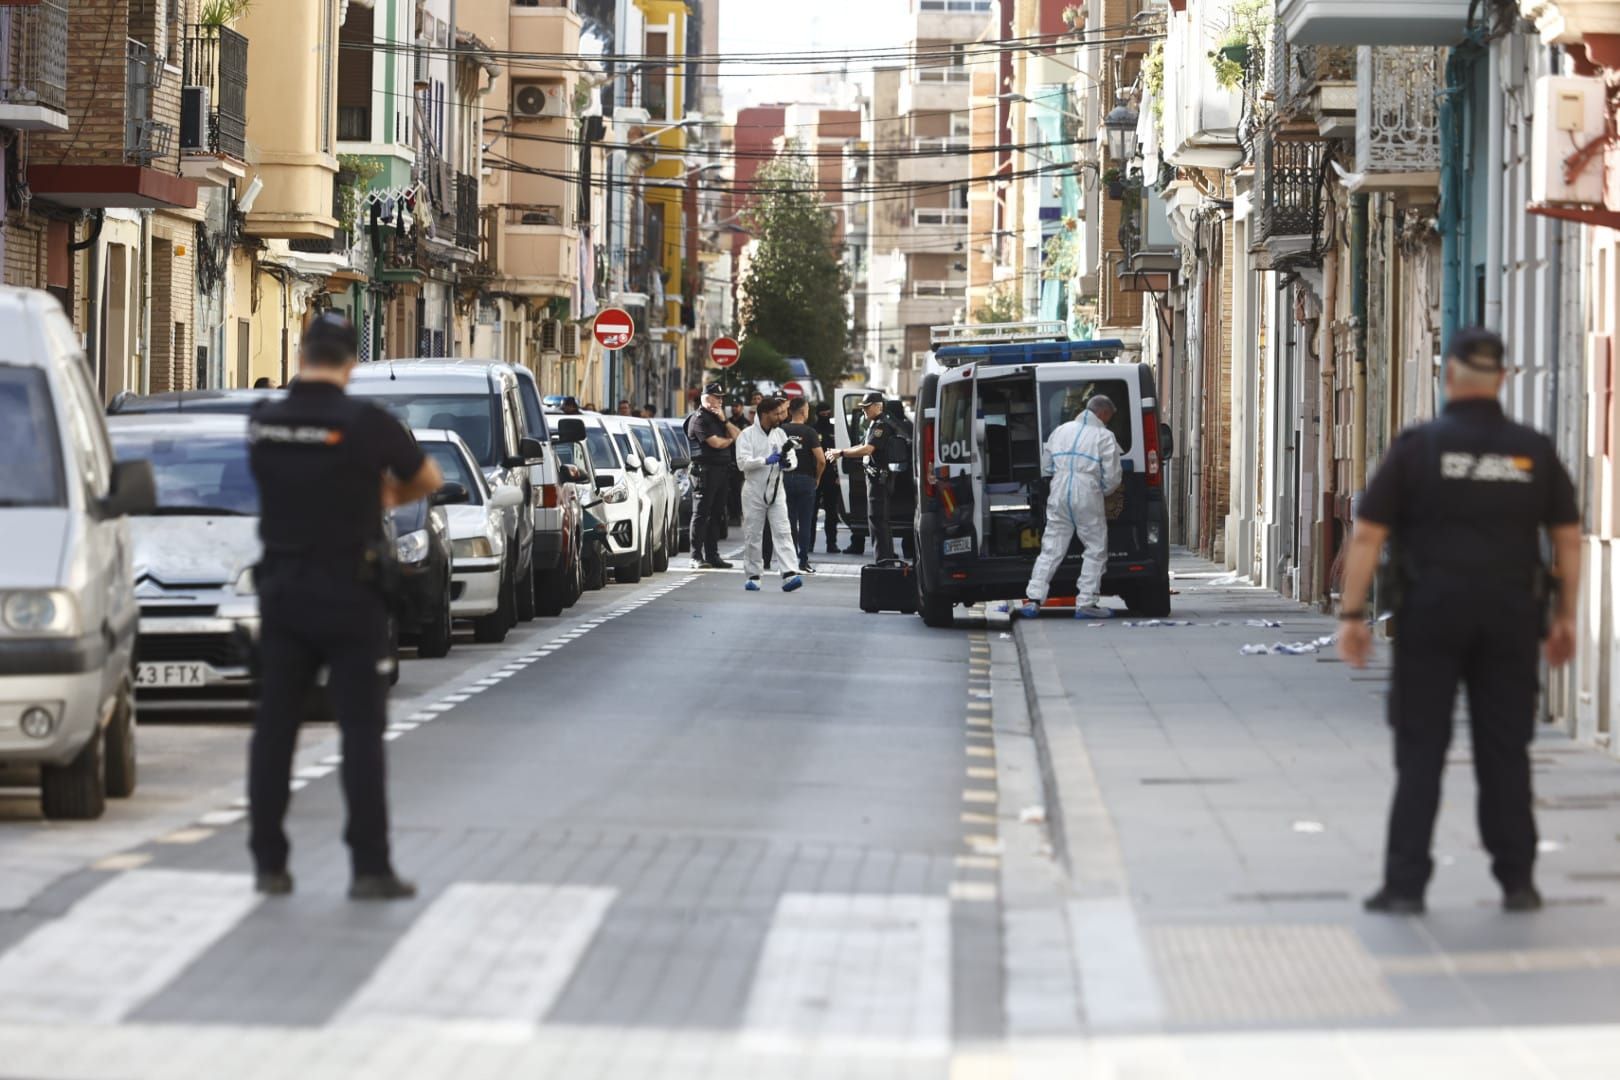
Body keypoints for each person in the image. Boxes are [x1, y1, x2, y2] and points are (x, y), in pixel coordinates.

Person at [1337, 328, 1582, 916]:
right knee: (1505, 749)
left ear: (1449, 377)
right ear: (1502, 379)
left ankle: (1405, 886)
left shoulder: (1419, 448)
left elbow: (1368, 535)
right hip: (1511, 618)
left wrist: (1352, 615)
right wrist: (1566, 616)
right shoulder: (1533, 450)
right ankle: (1517, 882)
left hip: (1431, 616)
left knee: (1421, 748)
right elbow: (1567, 541)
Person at [246, 312, 443, 901]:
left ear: (303, 355)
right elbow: (426, 475)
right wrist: (383, 493)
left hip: (282, 587)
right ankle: (369, 867)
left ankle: (269, 863)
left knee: (275, 728)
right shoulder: (366, 423)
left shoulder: (265, 422)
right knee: (360, 731)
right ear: (350, 363)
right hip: (349, 592)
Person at [1019, 395, 1122, 620]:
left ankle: (1033, 600)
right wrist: (1099, 490)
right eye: (1108, 417)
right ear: (1103, 414)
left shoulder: (1061, 430)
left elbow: (1046, 466)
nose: (1108, 421)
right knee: (1095, 548)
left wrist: (1061, 476)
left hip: (1060, 490)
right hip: (1087, 491)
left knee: (1051, 547)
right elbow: (1113, 477)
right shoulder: (1104, 436)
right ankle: (1086, 602)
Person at [826, 392, 908, 562]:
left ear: (878, 406)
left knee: (878, 520)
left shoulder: (881, 425)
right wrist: (843, 451)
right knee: (877, 520)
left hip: (879, 479)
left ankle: (883, 560)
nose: (864, 411)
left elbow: (868, 449)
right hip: (877, 477)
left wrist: (841, 453)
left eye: (866, 407)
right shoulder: (876, 423)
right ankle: (885, 558)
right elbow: (863, 445)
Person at [735, 395, 805, 592]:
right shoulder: (746, 435)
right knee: (753, 534)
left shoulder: (780, 434)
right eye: (777, 413)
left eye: (783, 412)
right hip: (753, 491)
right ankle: (753, 575)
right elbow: (743, 463)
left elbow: (793, 459)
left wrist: (786, 463)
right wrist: (765, 460)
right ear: (764, 413)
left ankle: (790, 572)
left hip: (776, 490)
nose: (781, 416)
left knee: (784, 530)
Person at [684, 382, 741, 569]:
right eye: (717, 397)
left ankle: (712, 555)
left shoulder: (718, 418)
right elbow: (715, 443)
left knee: (716, 514)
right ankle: (695, 556)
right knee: (701, 514)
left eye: (721, 398)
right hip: (705, 471)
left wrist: (725, 421)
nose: (720, 401)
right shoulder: (699, 419)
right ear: (706, 398)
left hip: (721, 470)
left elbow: (739, 436)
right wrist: (730, 440)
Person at [781, 397, 825, 573]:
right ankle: (803, 561)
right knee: (805, 522)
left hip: (785, 479)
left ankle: (789, 561)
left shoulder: (781, 430)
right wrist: (817, 478)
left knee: (789, 521)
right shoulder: (809, 432)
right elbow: (821, 460)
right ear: (803, 411)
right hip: (806, 480)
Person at [814, 404, 842, 553]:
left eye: (827, 413)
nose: (825, 415)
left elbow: (837, 451)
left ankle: (832, 543)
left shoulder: (834, 430)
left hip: (830, 473)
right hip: (815, 472)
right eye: (822, 413)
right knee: (811, 511)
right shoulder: (812, 429)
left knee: (831, 512)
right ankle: (809, 543)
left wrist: (838, 474)